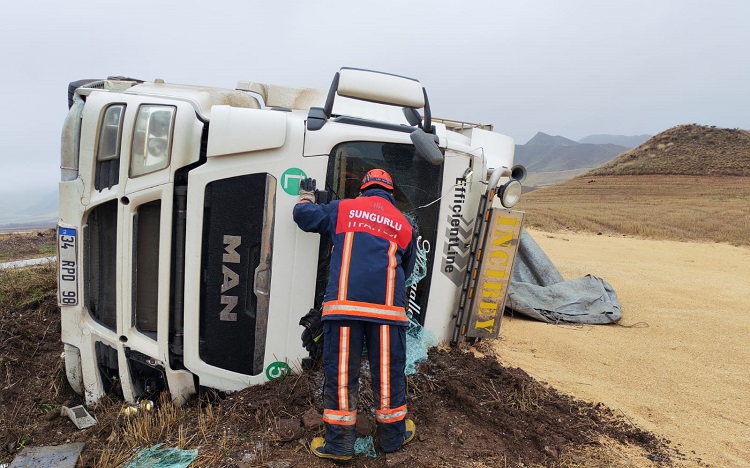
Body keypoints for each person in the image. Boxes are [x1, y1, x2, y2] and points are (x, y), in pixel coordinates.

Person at [293, 168, 417, 462]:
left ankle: (339, 446)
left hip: (344, 309)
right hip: (387, 311)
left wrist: (306, 197)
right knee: (388, 375)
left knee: (341, 376)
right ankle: (392, 438)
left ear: (362, 189)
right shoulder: (404, 224)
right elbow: (408, 269)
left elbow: (304, 217)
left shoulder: (343, 208)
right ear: (391, 193)